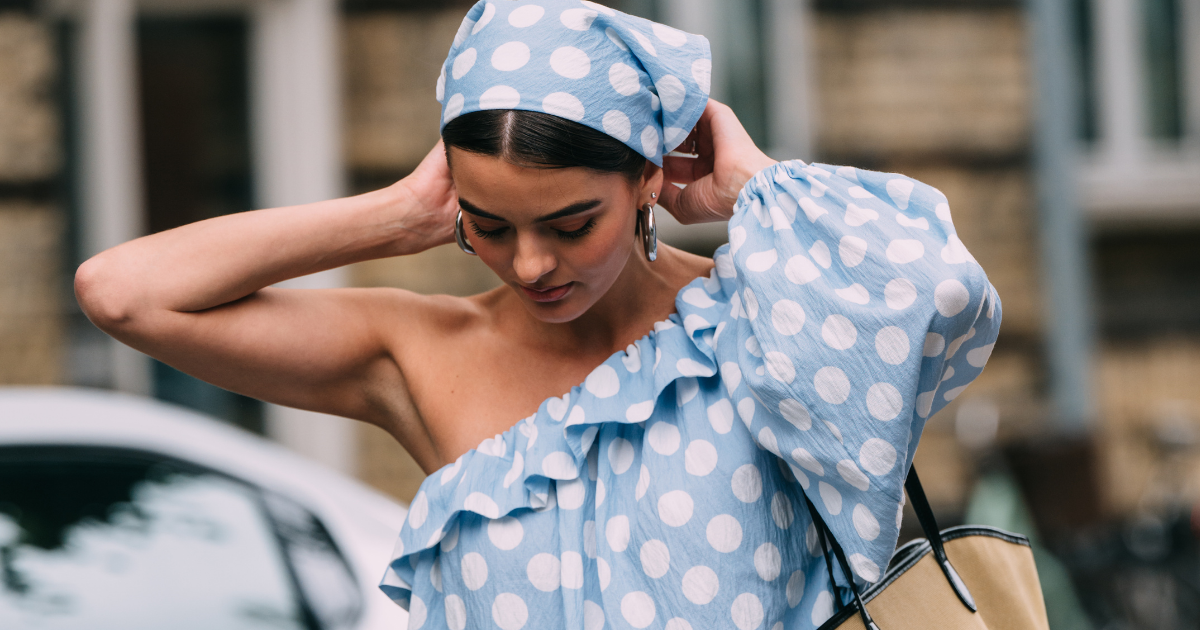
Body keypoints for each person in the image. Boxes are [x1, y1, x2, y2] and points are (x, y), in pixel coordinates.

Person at [75, 1, 1001, 628]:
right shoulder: (420, 354)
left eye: (570, 224)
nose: (530, 264)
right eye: (490, 225)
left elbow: (942, 291)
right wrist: (394, 215)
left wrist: (753, 187)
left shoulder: (757, 318)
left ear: (647, 177)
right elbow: (124, 292)